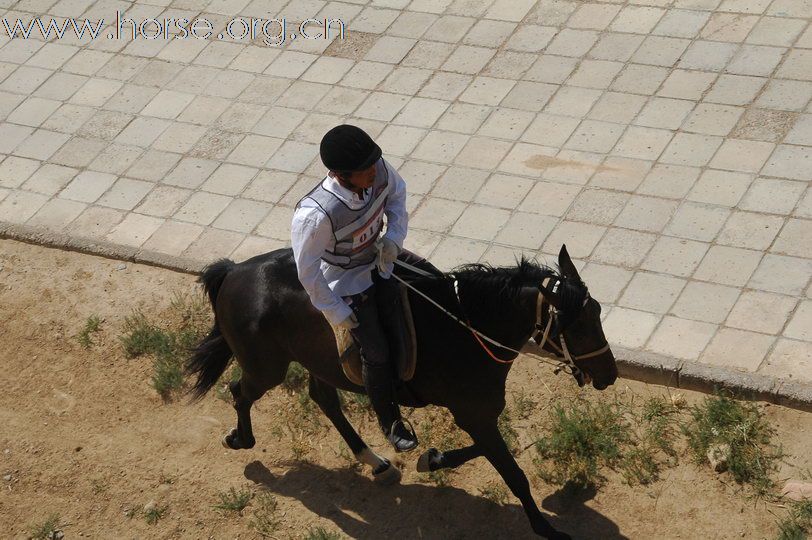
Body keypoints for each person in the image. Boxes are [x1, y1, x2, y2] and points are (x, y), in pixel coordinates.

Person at [290, 124, 419, 452]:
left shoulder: (378, 171)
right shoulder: (315, 216)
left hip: (380, 259)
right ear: (340, 175)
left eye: (376, 162)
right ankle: (390, 420)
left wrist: (393, 238)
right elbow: (308, 272)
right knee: (375, 351)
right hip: (345, 279)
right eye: (366, 170)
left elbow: (398, 199)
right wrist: (337, 311)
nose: (375, 172)